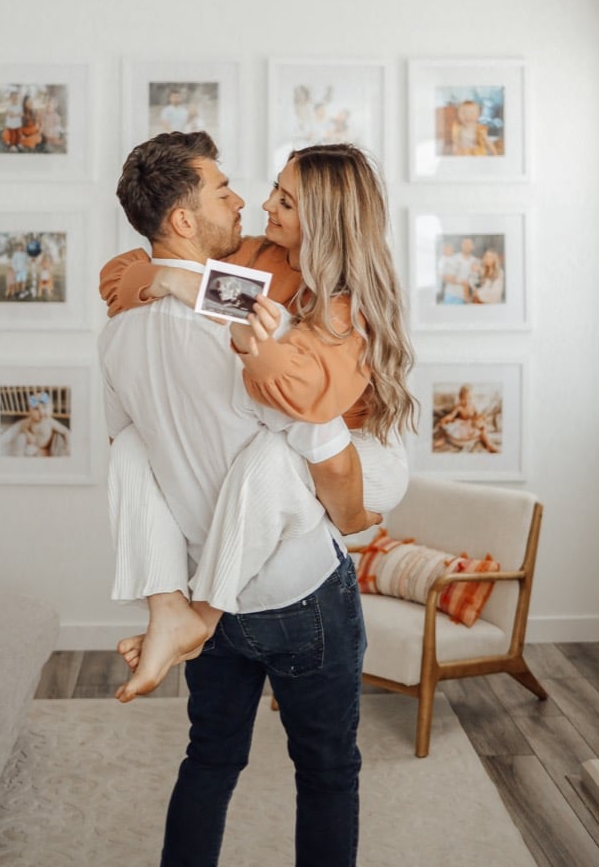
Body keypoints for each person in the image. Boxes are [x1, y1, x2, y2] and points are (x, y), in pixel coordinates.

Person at [99, 130, 381, 867]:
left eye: (275, 197)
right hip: (299, 592)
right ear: (186, 219)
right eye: (224, 191)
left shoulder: (117, 338)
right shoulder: (261, 327)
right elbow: (326, 459)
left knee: (210, 760)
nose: (245, 201)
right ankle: (183, 614)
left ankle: (177, 612)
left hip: (206, 584)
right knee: (327, 772)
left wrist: (163, 280)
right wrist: (354, 521)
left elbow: (136, 457)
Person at [101, 139, 415, 700]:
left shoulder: (345, 307)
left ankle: (201, 614)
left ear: (322, 220)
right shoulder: (257, 256)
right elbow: (125, 273)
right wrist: (177, 281)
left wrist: (250, 339)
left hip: (367, 455)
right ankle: (169, 605)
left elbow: (307, 397)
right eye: (274, 188)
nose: (263, 203)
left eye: (286, 201)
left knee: (271, 455)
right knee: (130, 447)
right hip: (310, 439)